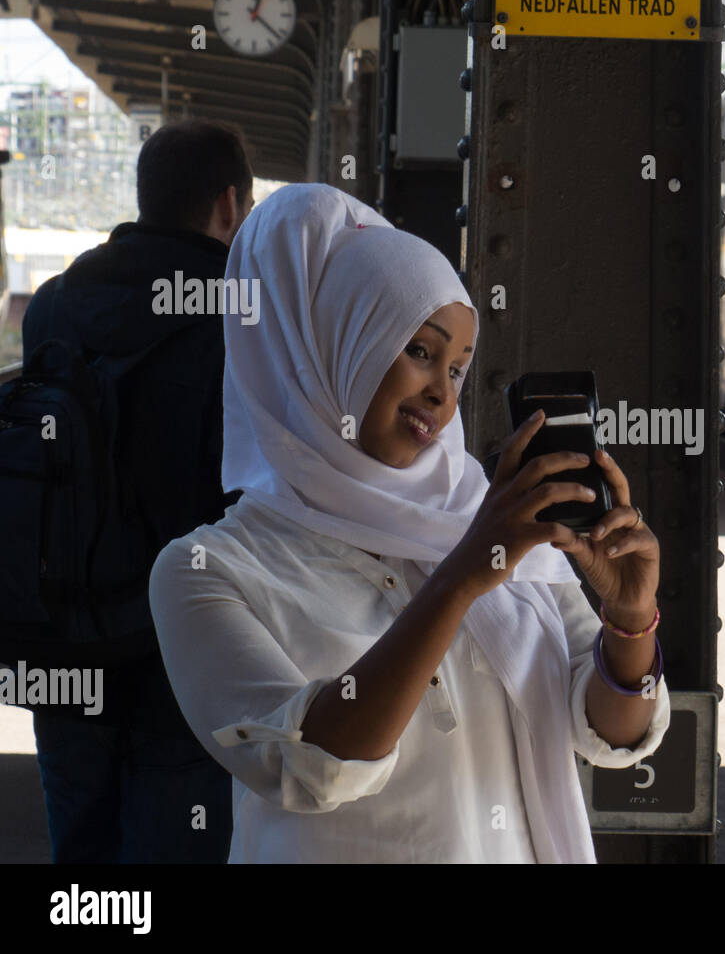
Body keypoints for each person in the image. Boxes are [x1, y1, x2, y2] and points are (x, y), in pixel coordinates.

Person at [147, 183, 671, 862]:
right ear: (330, 346)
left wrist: (630, 620)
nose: (442, 394)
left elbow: (607, 732)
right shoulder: (211, 571)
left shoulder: (484, 523)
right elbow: (314, 765)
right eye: (419, 352)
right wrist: (461, 578)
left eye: (458, 369)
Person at [19, 118, 254, 862]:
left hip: (61, 641)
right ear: (228, 203)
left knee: (81, 868)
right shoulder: (243, 317)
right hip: (182, 655)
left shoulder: (56, 305)